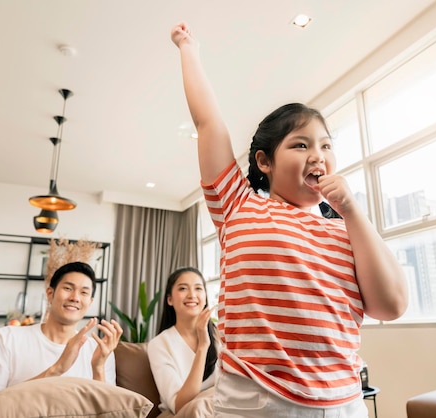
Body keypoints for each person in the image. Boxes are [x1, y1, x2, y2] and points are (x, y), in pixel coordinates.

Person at [170, 22, 409, 418]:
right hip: (257, 400)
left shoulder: (347, 228)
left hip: (344, 402)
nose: (318, 155)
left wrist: (351, 209)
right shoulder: (238, 205)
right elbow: (209, 123)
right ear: (265, 161)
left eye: (326, 145)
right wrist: (187, 48)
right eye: (301, 145)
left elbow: (391, 305)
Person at [0, 261, 123, 418]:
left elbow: (107, 414)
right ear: (50, 294)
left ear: (90, 302)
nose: (75, 297)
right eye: (68, 288)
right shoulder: (6, 339)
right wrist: (55, 370)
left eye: (84, 292)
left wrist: (98, 369)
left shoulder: (100, 351)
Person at [147, 267, 218, 417]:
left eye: (198, 288)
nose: (192, 295)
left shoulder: (220, 336)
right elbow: (180, 405)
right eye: (183, 288)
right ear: (170, 299)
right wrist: (202, 348)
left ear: (205, 297)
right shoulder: (159, 344)